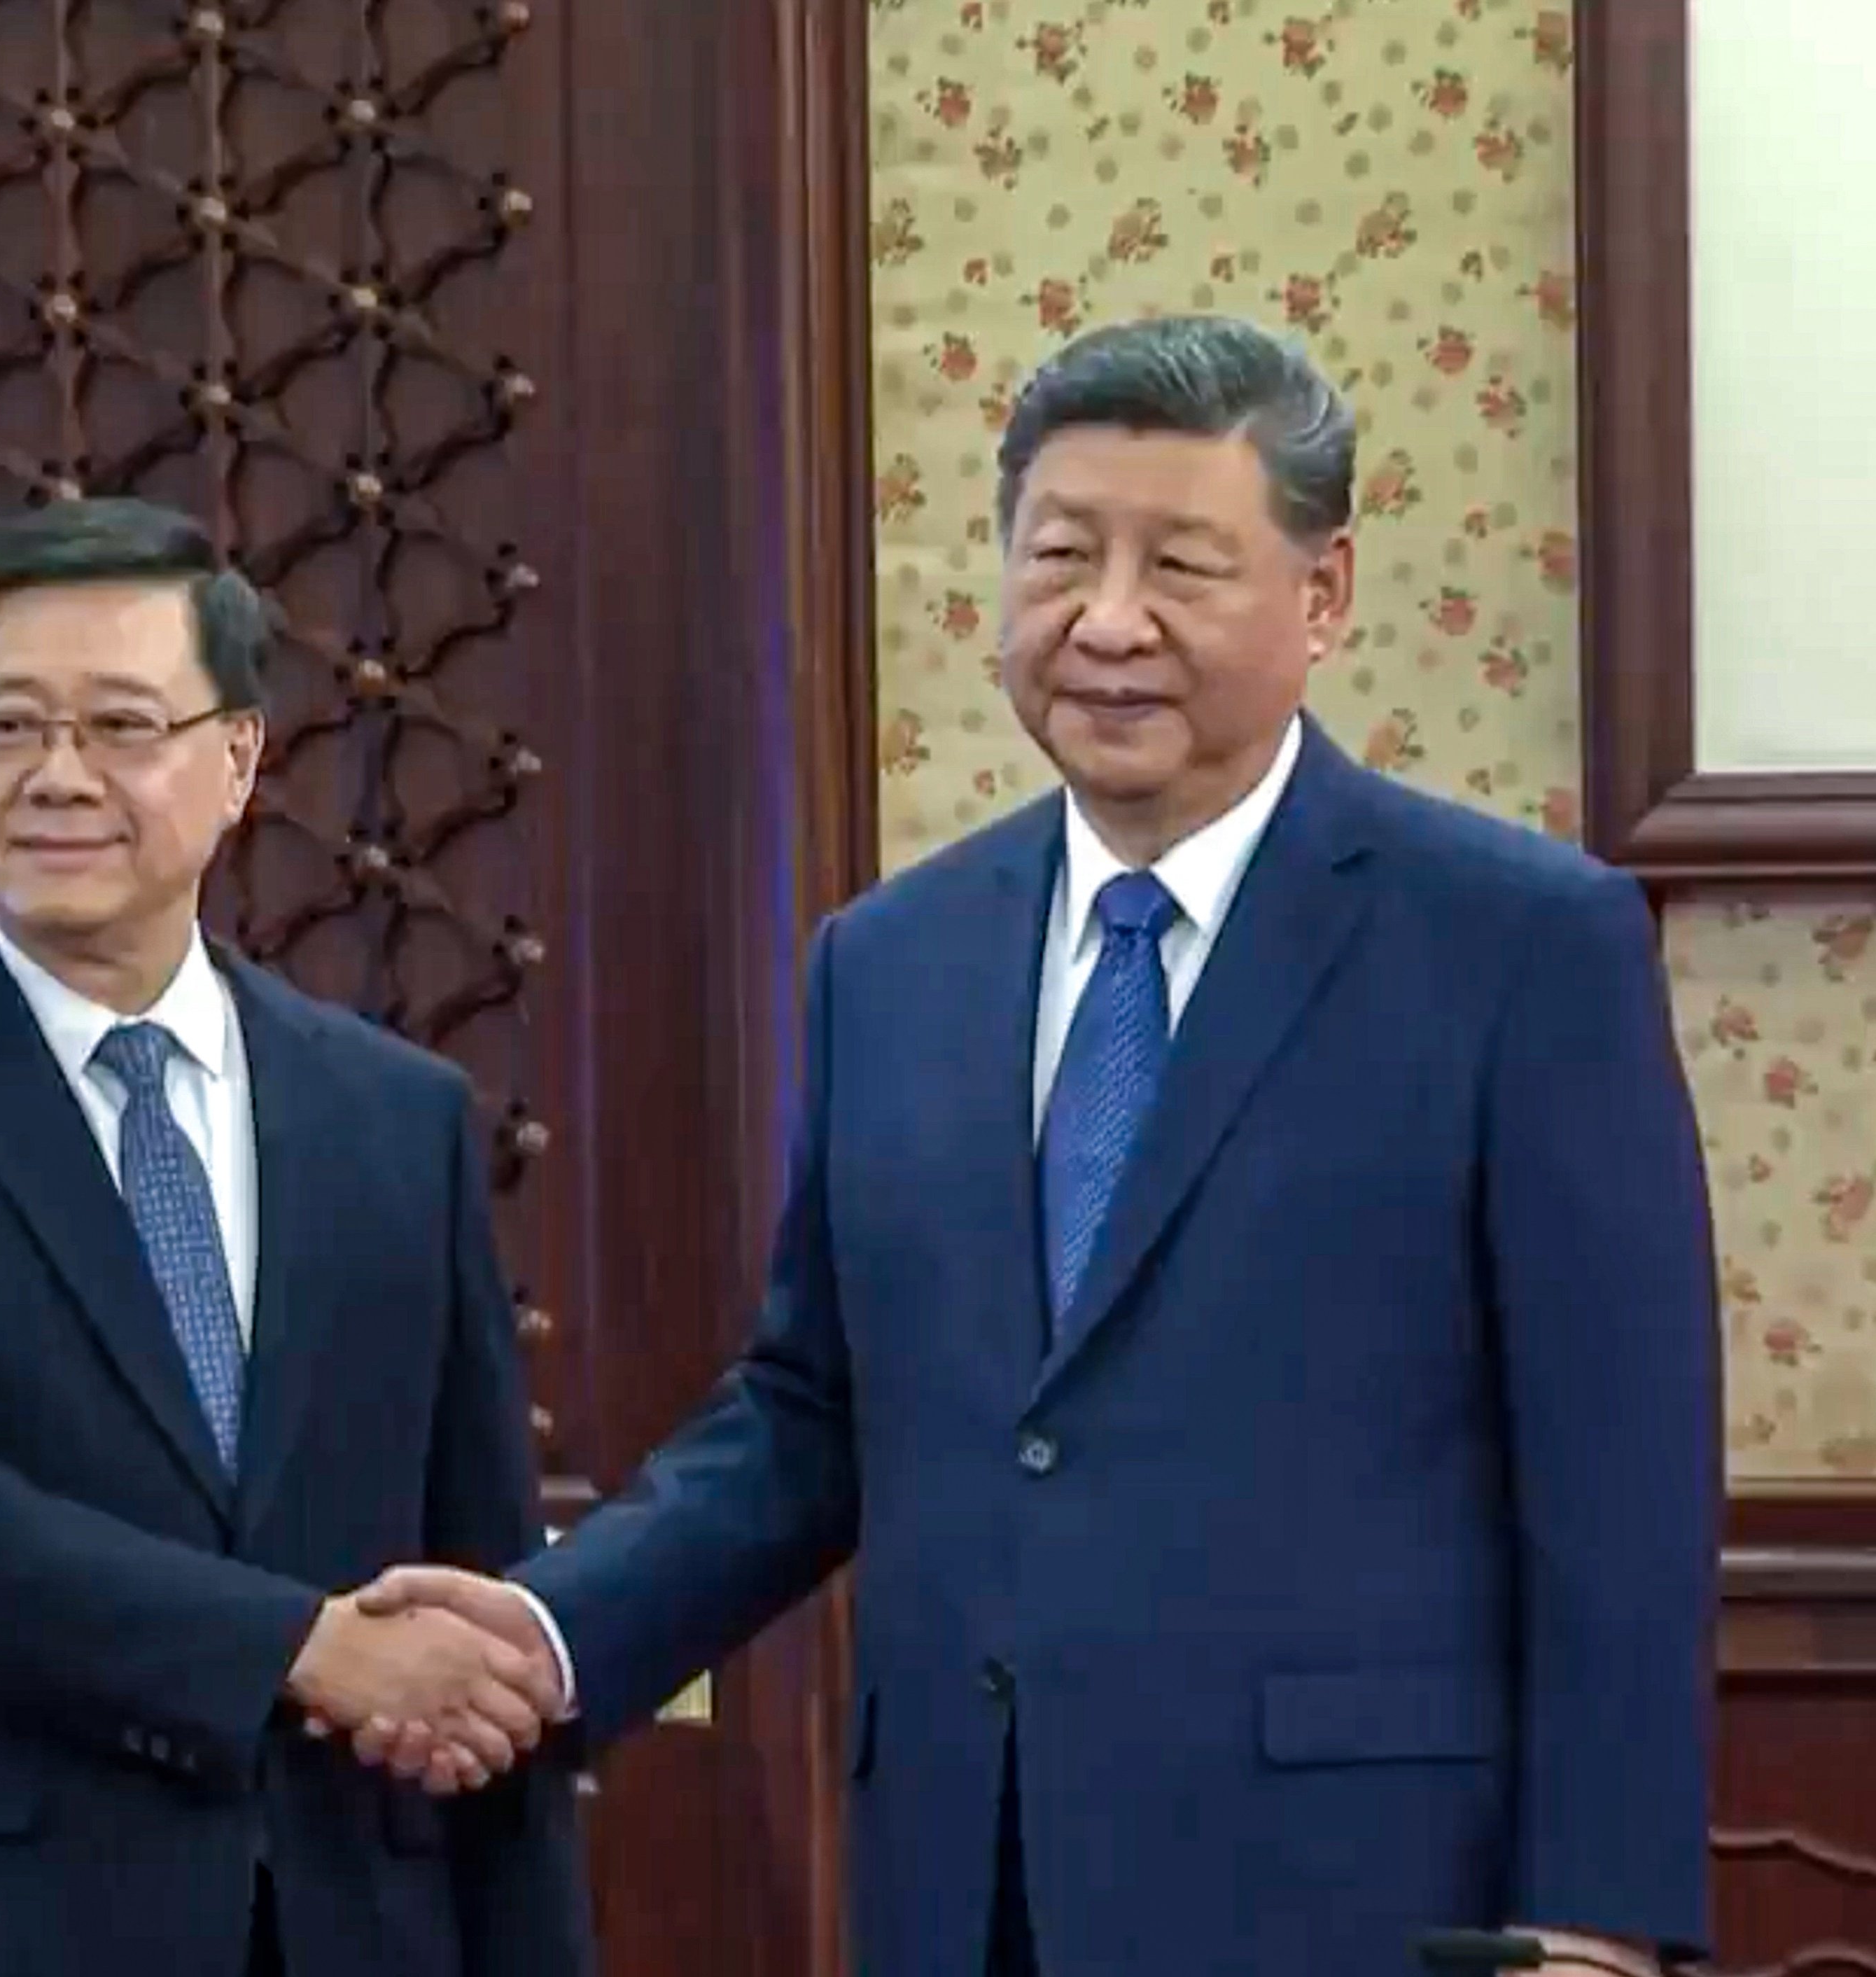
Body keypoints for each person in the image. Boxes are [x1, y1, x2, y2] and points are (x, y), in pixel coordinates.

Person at [353, 316, 1723, 1976]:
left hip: (1362, 1894)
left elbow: (1619, 1475)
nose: (1107, 622)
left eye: (1181, 565)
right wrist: (560, 1626)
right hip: (963, 1877)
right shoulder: (891, 956)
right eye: (1058, 555)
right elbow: (811, 1410)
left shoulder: (1518, 944)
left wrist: (1597, 1916)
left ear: (1325, 592)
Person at [0, 498, 589, 1977]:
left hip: (358, 1918)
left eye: (118, 725)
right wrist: (304, 1643)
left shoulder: (396, 1115)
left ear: (236, 761)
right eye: (8, 727)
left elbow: (470, 1569)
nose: (56, 777)